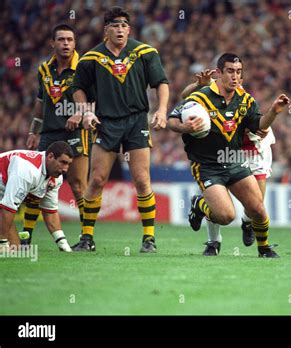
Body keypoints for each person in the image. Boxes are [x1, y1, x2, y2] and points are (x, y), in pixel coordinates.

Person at [168, 53, 290, 258]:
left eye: (239, 72)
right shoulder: (201, 97)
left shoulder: (245, 100)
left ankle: (264, 249)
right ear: (219, 73)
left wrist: (274, 112)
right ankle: (199, 205)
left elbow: (259, 125)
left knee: (257, 208)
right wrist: (185, 127)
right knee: (226, 216)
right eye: (230, 71)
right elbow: (172, 119)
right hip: (207, 165)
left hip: (234, 160)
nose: (235, 76)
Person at [70, 6, 169, 253]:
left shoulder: (145, 52)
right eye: (115, 25)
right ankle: (87, 237)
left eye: (124, 25)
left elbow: (161, 83)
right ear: (106, 29)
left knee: (142, 179)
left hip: (137, 121)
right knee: (97, 179)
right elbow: (77, 88)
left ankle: (149, 239)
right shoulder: (90, 58)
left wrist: (162, 110)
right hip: (106, 122)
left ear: (129, 29)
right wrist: (86, 111)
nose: (120, 29)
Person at [23, 24, 91, 246]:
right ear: (53, 43)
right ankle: (26, 235)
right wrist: (34, 130)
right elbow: (40, 104)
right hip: (49, 134)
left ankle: (86, 237)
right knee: (37, 183)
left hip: (76, 132)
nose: (66, 44)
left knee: (78, 184)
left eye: (70, 40)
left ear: (75, 43)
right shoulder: (43, 70)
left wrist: (79, 115)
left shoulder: (84, 67)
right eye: (61, 40)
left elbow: (95, 99)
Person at [0, 141, 73, 252]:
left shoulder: (56, 177)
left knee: (14, 249)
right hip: (5, 201)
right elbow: (8, 207)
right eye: (63, 162)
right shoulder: (28, 170)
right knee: (7, 248)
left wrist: (63, 243)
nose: (65, 169)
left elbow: (50, 211)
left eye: (68, 164)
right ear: (50, 157)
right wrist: (2, 243)